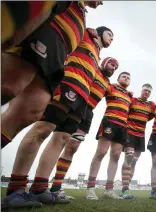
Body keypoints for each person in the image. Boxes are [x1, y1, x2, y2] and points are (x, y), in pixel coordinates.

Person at [1, 26, 113, 208]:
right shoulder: (84, 35)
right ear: (99, 32)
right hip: (67, 86)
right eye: (110, 34)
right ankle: (15, 190)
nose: (112, 38)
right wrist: (86, 29)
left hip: (82, 98)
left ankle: (39, 188)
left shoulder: (96, 53)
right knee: (42, 129)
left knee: (62, 138)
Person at [1, 1, 103, 148]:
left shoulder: (83, 16)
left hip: (57, 57)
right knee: (8, 86)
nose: (102, 2)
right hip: (43, 35)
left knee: (31, 111)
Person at [48, 57, 119, 199]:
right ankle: (47, 185)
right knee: (60, 141)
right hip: (75, 104)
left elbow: (117, 94)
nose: (113, 68)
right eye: (112, 64)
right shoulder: (92, 69)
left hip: (88, 113)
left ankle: (56, 188)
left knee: (73, 147)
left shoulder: (108, 83)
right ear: (104, 62)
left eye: (115, 67)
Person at [85, 72, 133, 200]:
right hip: (109, 122)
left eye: (128, 78)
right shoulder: (111, 87)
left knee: (116, 156)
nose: (126, 79)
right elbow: (99, 85)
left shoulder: (129, 96)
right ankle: (90, 189)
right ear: (118, 79)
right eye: (124, 76)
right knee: (101, 153)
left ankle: (109, 190)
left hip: (122, 126)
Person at [119, 84, 155, 199]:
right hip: (130, 132)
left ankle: (126, 187)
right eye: (145, 90)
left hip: (141, 135)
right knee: (129, 157)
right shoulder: (133, 100)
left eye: (149, 92)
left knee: (134, 162)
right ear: (141, 90)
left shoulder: (151, 105)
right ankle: (124, 190)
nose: (147, 93)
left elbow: (151, 116)